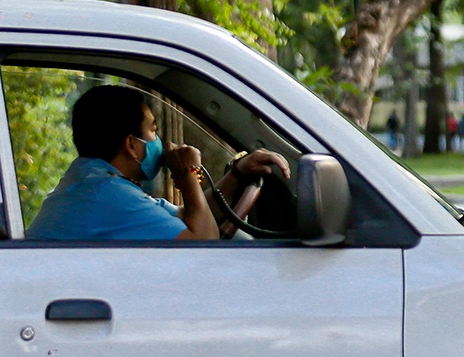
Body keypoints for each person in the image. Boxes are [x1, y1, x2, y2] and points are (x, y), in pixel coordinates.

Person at [28, 85, 286, 242]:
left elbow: (186, 218)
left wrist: (237, 174)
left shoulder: (97, 181)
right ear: (131, 144)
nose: (160, 142)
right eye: (153, 131)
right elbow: (204, 245)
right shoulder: (106, 193)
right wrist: (187, 173)